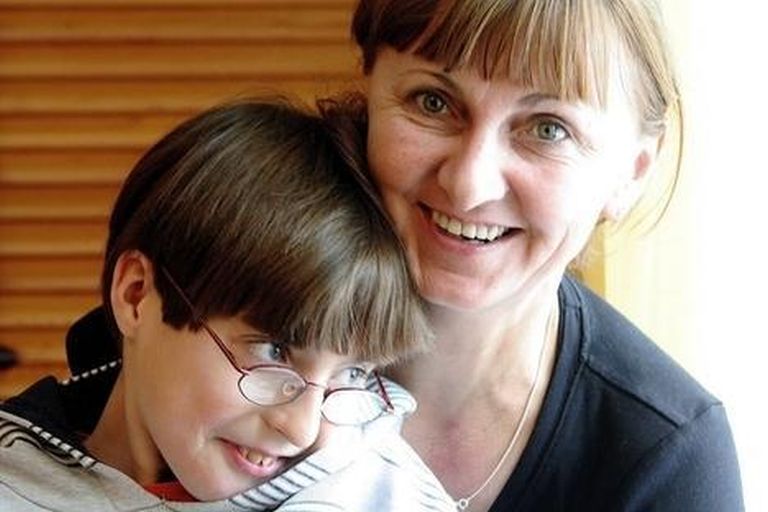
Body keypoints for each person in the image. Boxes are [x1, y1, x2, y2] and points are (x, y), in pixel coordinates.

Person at [319, 0, 745, 510]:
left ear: (631, 174)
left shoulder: (668, 461)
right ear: (367, 91)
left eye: (548, 129)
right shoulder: (238, 338)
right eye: (433, 102)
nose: (469, 184)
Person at [0, 99, 457, 511]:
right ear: (136, 295)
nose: (300, 430)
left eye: (353, 373)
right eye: (274, 352)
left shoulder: (384, 494)